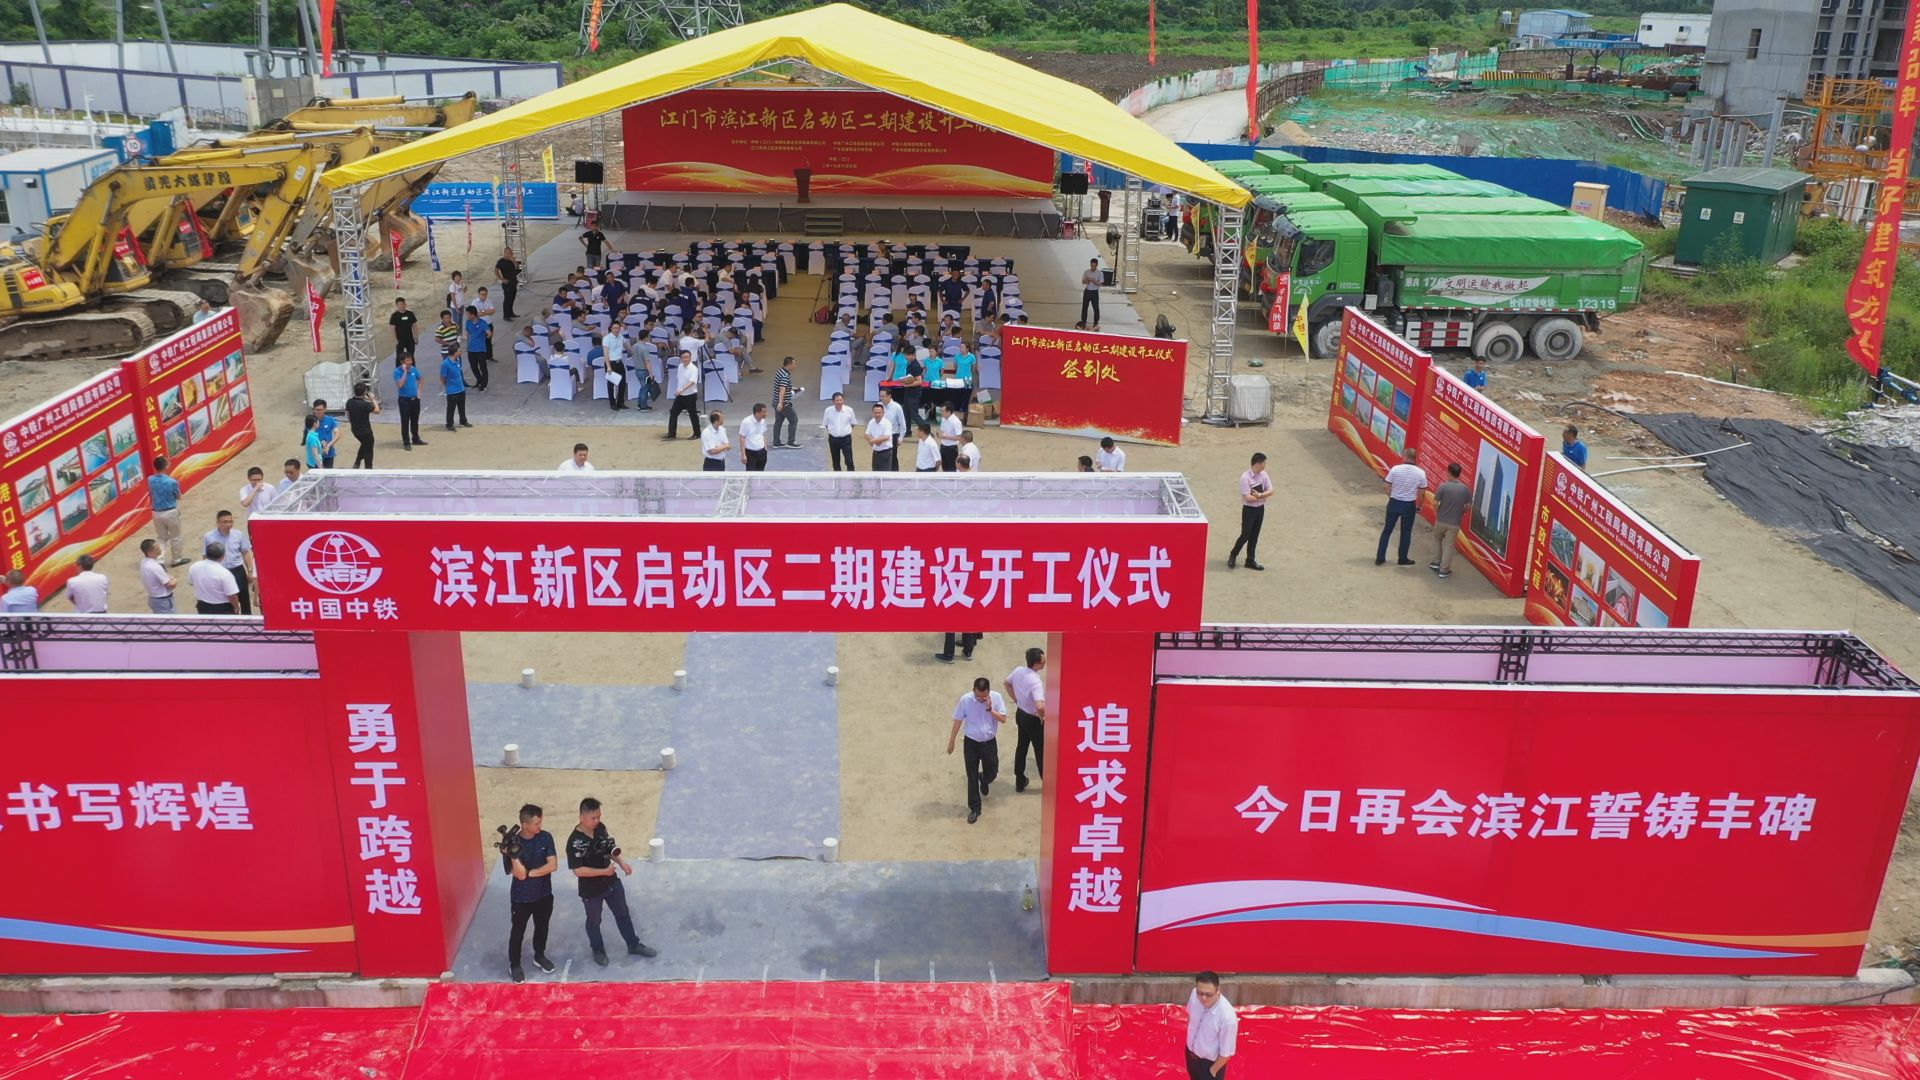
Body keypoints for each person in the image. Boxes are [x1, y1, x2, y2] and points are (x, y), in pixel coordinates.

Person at [567, 797, 659, 967]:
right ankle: (598, 949)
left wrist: (621, 862)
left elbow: (608, 849)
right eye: (593, 818)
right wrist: (604, 871)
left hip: (611, 882)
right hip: (591, 890)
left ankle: (633, 944)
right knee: (594, 921)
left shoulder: (600, 828)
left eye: (598, 817)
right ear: (581, 817)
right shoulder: (574, 842)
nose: (597, 821)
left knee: (623, 913)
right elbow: (578, 870)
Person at [505, 803, 558, 984]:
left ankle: (539, 955)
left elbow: (553, 865)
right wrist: (513, 855)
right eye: (536, 823)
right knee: (518, 932)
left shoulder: (546, 837)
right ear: (525, 825)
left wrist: (531, 873)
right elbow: (518, 874)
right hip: (521, 899)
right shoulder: (512, 844)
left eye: (540, 822)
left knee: (542, 927)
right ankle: (514, 965)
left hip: (544, 894)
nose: (540, 826)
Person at [947, 676, 1008, 825]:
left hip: (989, 743)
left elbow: (1003, 719)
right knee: (971, 776)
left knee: (992, 772)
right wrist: (952, 740)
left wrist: (990, 709)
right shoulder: (966, 700)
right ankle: (975, 808)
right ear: (973, 690)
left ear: (988, 691)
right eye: (978, 696)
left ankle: (984, 778)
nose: (980, 699)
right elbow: (958, 720)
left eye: (983, 697)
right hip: (971, 743)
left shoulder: (996, 697)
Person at [1005, 647, 1046, 793]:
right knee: (1040, 752)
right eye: (1043, 660)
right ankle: (1046, 781)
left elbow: (1007, 683)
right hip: (1033, 720)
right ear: (1036, 664)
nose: (1045, 661)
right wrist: (1042, 717)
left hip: (1021, 714)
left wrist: (1016, 699)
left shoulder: (1019, 671)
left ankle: (1019, 780)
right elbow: (1040, 705)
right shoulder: (1035, 682)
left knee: (1021, 747)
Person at [1377, 448, 1427, 567]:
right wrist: (1419, 506)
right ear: (1415, 458)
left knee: (1387, 530)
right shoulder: (1421, 473)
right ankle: (1402, 558)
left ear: (1405, 456)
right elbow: (1422, 493)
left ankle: (1380, 557)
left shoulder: (1395, 469)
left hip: (1394, 502)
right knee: (1406, 532)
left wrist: (1391, 496)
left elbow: (1385, 486)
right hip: (1409, 505)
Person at [1185, 971, 1238, 1079]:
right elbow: (1190, 1015)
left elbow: (1226, 1053)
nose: (1203, 998)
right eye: (1200, 993)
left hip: (1210, 1065)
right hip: (1191, 1056)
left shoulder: (1227, 1018)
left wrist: (1212, 1072)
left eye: (1208, 994)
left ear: (1218, 991)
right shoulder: (1194, 994)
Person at [1226, 452, 1273, 571]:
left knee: (1255, 535)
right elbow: (1248, 498)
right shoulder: (1245, 478)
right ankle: (1233, 554)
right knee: (1245, 535)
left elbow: (1271, 490)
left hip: (1260, 509)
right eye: (1263, 463)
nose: (1264, 465)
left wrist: (1260, 495)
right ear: (1257, 464)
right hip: (1249, 510)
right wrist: (1263, 496)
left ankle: (1250, 560)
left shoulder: (1264, 475)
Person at [204, 510, 256, 616]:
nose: (228, 524)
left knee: (244, 599)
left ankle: (247, 621)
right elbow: (206, 556)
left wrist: (250, 571)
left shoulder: (238, 534)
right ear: (218, 522)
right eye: (225, 522)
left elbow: (245, 553)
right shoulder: (209, 537)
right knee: (226, 600)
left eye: (230, 521)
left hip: (238, 571)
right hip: (219, 572)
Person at [1430, 462, 1471, 579]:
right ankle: (1444, 570)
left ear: (1448, 473)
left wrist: (1438, 511)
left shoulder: (1443, 486)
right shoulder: (1465, 489)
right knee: (1449, 545)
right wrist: (1461, 512)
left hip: (1441, 520)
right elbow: (1468, 506)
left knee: (1437, 539)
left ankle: (1436, 562)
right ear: (1459, 474)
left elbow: (1435, 503)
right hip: (1454, 523)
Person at [147, 456, 185, 565]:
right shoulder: (172, 482)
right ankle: (176, 559)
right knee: (175, 537)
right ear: (166, 466)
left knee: (161, 538)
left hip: (156, 513)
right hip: (170, 512)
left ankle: (160, 560)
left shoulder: (150, 479)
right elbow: (178, 497)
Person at [188, 542, 240, 615]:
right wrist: (236, 607)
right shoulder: (224, 573)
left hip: (203, 606)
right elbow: (232, 595)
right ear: (222, 556)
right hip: (223, 609)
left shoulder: (194, 566)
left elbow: (191, 582)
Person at [665, 351, 701, 439]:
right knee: (673, 413)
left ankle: (697, 433)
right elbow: (680, 379)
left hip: (690, 395)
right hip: (680, 395)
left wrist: (681, 390)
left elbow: (692, 382)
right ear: (681, 358)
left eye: (687, 357)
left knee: (692, 414)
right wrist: (679, 390)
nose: (685, 359)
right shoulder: (680, 366)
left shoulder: (694, 369)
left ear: (690, 357)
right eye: (683, 357)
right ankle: (671, 433)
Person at [393, 355, 426, 450]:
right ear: (402, 362)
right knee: (405, 421)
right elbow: (400, 384)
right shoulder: (397, 371)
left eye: (410, 360)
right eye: (407, 360)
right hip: (404, 400)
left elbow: (421, 378)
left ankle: (415, 438)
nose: (410, 362)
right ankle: (406, 442)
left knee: (415, 420)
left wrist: (419, 391)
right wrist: (405, 372)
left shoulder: (414, 369)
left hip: (415, 399)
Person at [346, 381, 379, 468]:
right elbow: (377, 411)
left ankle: (357, 462)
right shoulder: (365, 404)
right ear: (364, 392)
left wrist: (352, 424)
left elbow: (348, 415)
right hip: (366, 432)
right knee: (368, 450)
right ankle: (368, 468)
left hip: (355, 430)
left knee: (365, 445)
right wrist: (373, 400)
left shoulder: (349, 402)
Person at [821, 392, 857, 472]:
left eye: (841, 400)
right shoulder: (828, 411)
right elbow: (826, 424)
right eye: (837, 400)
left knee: (849, 461)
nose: (839, 402)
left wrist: (846, 430)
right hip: (833, 439)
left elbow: (853, 423)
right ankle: (838, 478)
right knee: (836, 462)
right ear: (833, 401)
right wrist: (833, 431)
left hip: (846, 439)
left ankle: (852, 477)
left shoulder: (849, 410)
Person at [139, 539, 176, 614]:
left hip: (155, 599)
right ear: (150, 552)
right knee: (170, 620)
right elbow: (170, 585)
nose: (160, 548)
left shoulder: (144, 562)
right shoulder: (155, 567)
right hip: (163, 601)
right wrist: (175, 580)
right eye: (157, 548)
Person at [772, 356, 801, 448]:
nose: (795, 366)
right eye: (794, 364)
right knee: (794, 419)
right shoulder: (785, 375)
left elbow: (783, 386)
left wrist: (792, 388)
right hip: (784, 404)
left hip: (776, 402)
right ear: (789, 364)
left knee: (778, 422)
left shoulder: (780, 371)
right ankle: (791, 442)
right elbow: (782, 390)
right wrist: (781, 403)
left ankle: (776, 442)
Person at [440, 346, 470, 433]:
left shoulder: (458, 361)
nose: (460, 352)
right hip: (452, 390)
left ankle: (463, 421)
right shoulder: (445, 364)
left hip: (461, 388)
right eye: (459, 351)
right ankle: (449, 424)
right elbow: (443, 377)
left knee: (462, 406)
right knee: (451, 408)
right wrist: (447, 385)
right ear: (454, 352)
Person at [464, 304, 492, 393]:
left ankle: (483, 385)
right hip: (471, 349)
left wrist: (487, 336)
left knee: (483, 367)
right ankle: (479, 380)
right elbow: (468, 333)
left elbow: (489, 333)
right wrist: (467, 345)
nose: (466, 315)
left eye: (467, 314)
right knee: (473, 367)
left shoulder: (482, 323)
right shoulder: (468, 322)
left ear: (472, 314)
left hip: (480, 349)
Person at [879, 388, 907, 471]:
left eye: (883, 396)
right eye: (880, 396)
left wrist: (901, 437)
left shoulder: (897, 407)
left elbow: (902, 423)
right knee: (880, 455)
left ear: (889, 396)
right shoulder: (878, 406)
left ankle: (894, 474)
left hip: (892, 435)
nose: (881, 398)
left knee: (892, 457)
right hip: (880, 435)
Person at [740, 403, 770, 471]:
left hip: (762, 452)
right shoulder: (746, 422)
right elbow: (742, 437)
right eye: (764, 412)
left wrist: (765, 448)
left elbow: (762, 434)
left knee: (760, 473)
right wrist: (743, 454)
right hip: (750, 453)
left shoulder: (763, 421)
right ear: (757, 412)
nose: (766, 414)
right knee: (750, 473)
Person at [866, 403, 896, 471]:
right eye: (875, 413)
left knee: (885, 474)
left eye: (879, 413)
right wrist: (876, 440)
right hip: (875, 452)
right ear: (872, 413)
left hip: (885, 452)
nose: (877, 415)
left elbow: (886, 437)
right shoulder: (871, 422)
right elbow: (866, 434)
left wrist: (873, 441)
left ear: (883, 413)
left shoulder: (887, 423)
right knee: (875, 473)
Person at [310, 400, 339, 468]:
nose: (317, 412)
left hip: (328, 454)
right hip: (315, 455)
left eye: (320, 410)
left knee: (328, 473)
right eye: (316, 409)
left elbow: (338, 434)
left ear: (325, 409)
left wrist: (328, 445)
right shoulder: (310, 422)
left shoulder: (330, 420)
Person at [494, 247, 520, 319]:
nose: (510, 254)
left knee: (512, 298)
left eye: (511, 253)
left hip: (513, 282)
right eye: (508, 253)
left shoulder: (512, 260)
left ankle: (511, 313)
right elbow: (496, 270)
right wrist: (502, 279)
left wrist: (513, 261)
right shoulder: (501, 261)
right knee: (507, 299)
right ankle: (506, 315)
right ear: (505, 253)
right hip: (507, 284)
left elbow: (517, 268)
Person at [1078, 257, 1103, 330]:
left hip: (1094, 292)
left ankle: (1095, 323)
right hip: (1087, 291)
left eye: (1094, 266)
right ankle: (1083, 322)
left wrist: (1094, 281)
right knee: (1084, 307)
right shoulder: (1087, 272)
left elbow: (1100, 284)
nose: (1093, 268)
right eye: (1092, 266)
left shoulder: (1100, 273)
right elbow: (1083, 282)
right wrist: (1087, 280)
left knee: (1096, 308)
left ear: (1097, 265)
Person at [938, 403, 964, 472]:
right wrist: (941, 435)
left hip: (951, 448)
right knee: (944, 467)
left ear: (948, 412)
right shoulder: (943, 419)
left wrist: (945, 436)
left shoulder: (956, 421)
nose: (941, 413)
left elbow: (959, 437)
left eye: (942, 411)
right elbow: (942, 430)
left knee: (952, 468)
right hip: (943, 446)